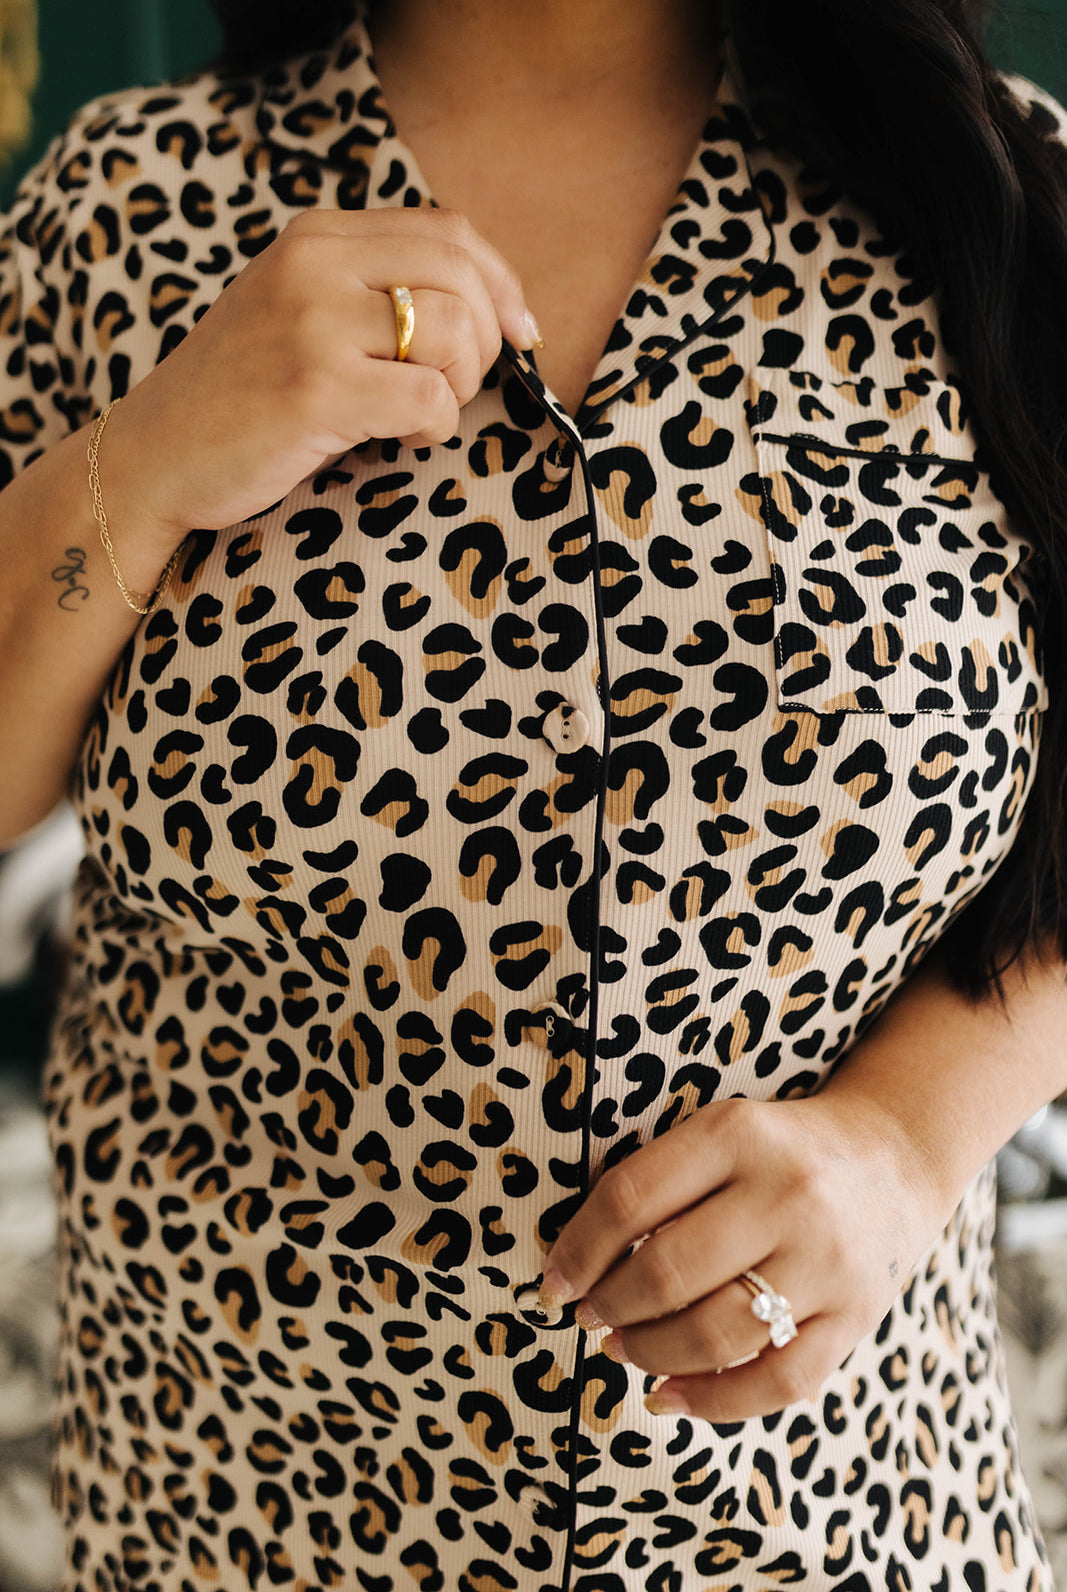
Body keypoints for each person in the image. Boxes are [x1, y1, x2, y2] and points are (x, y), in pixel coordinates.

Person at [0, 0, 1065, 1585]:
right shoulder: (123, 210)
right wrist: (153, 450)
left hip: (835, 1526)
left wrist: (909, 1138)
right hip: (239, 1510)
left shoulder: (997, 186)